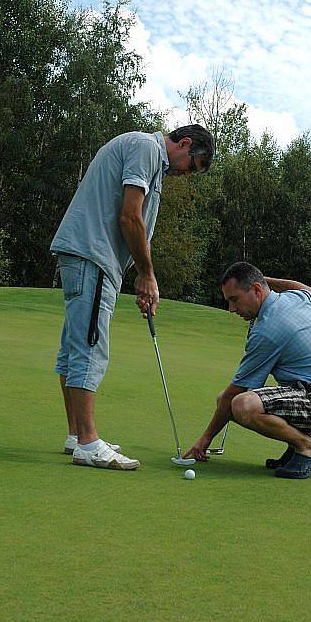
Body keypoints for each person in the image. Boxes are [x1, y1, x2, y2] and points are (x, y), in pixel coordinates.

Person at [51, 125, 214, 471]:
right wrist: (146, 274)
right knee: (90, 347)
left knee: (74, 347)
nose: (186, 174)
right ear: (185, 143)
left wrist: (142, 275)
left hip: (91, 257)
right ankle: (87, 442)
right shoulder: (146, 149)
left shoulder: (151, 159)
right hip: (93, 255)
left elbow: (137, 223)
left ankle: (77, 433)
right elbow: (130, 217)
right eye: (192, 165)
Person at [183, 262, 311, 479]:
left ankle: (308, 448)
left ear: (257, 290)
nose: (231, 309)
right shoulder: (293, 299)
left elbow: (236, 392)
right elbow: (309, 290)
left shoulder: (267, 330)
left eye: (234, 300)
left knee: (242, 404)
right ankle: (295, 445)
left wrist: (205, 439)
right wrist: (262, 278)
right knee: (225, 401)